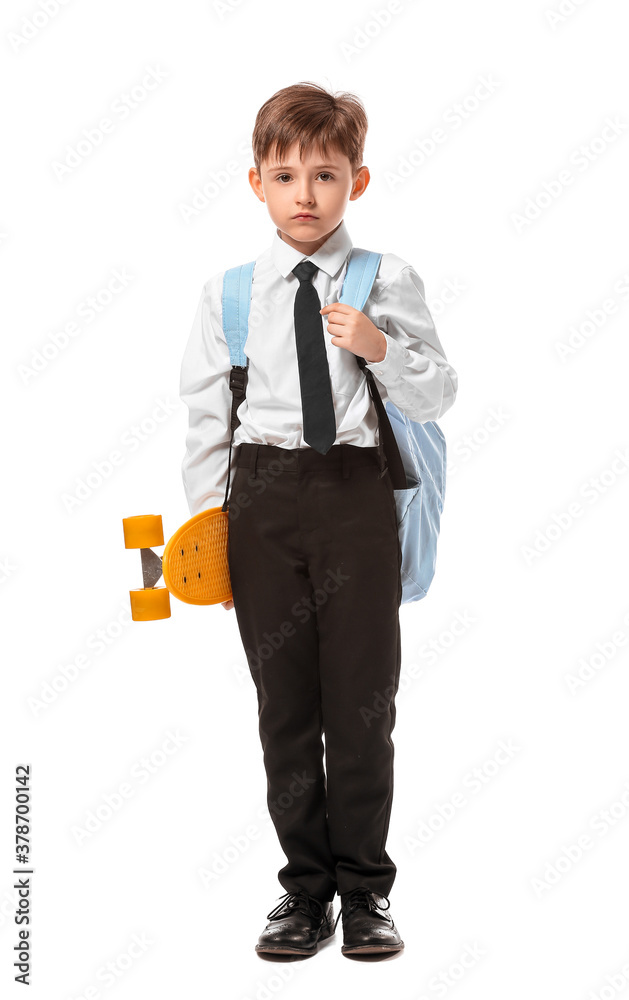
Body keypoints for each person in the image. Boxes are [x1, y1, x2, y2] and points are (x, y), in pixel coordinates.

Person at [179, 81, 458, 958]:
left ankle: (366, 891)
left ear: (358, 184)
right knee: (285, 707)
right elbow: (204, 423)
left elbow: (439, 391)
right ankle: (304, 893)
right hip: (260, 505)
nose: (306, 194)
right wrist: (208, 540)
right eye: (286, 174)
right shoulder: (228, 296)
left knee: (364, 704)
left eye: (326, 175)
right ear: (255, 183)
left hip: (354, 500)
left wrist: (380, 347)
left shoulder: (387, 280)